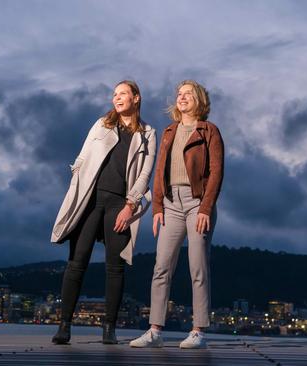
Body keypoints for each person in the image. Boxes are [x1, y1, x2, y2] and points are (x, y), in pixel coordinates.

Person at [50, 80, 156, 345]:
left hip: (120, 205)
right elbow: (82, 159)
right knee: (77, 262)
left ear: (136, 98)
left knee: (115, 267)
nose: (116, 98)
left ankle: (109, 328)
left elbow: (145, 174)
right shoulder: (102, 124)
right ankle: (64, 326)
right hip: (90, 201)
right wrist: (77, 188)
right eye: (114, 94)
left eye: (122, 94)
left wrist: (130, 205)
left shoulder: (148, 133)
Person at [130, 80, 224, 349]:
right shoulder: (170, 131)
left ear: (200, 100)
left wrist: (206, 208)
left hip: (197, 203)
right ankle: (155, 330)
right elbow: (160, 170)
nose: (182, 98)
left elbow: (216, 173)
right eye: (179, 94)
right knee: (161, 266)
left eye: (188, 94)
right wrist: (157, 206)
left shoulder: (209, 131)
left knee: (197, 266)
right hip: (170, 204)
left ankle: (198, 332)